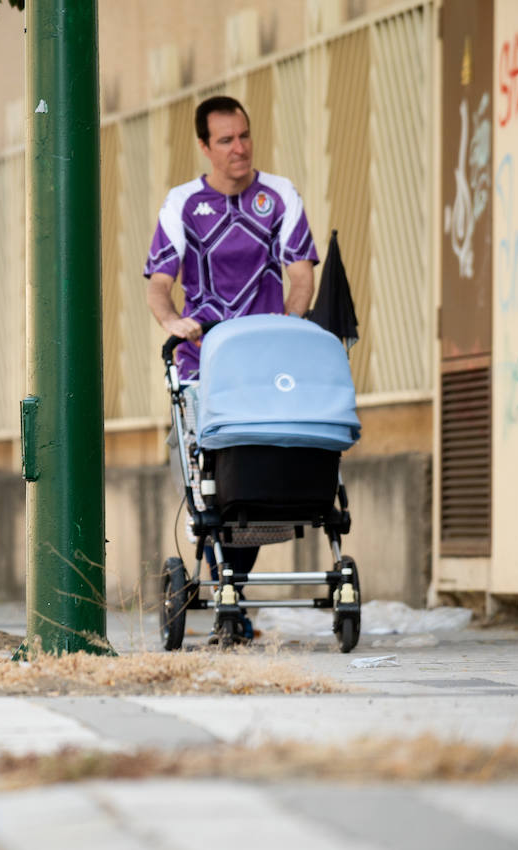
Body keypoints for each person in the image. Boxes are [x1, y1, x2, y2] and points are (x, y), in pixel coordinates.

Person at [144, 95, 319, 637]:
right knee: (207, 484)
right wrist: (174, 323)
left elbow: (303, 276)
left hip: (265, 368)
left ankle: (229, 600)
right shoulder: (182, 205)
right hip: (203, 367)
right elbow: (157, 284)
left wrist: (288, 328)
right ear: (205, 146)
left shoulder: (279, 196)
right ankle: (230, 602)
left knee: (252, 480)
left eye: (244, 136)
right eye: (225, 140)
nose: (239, 148)